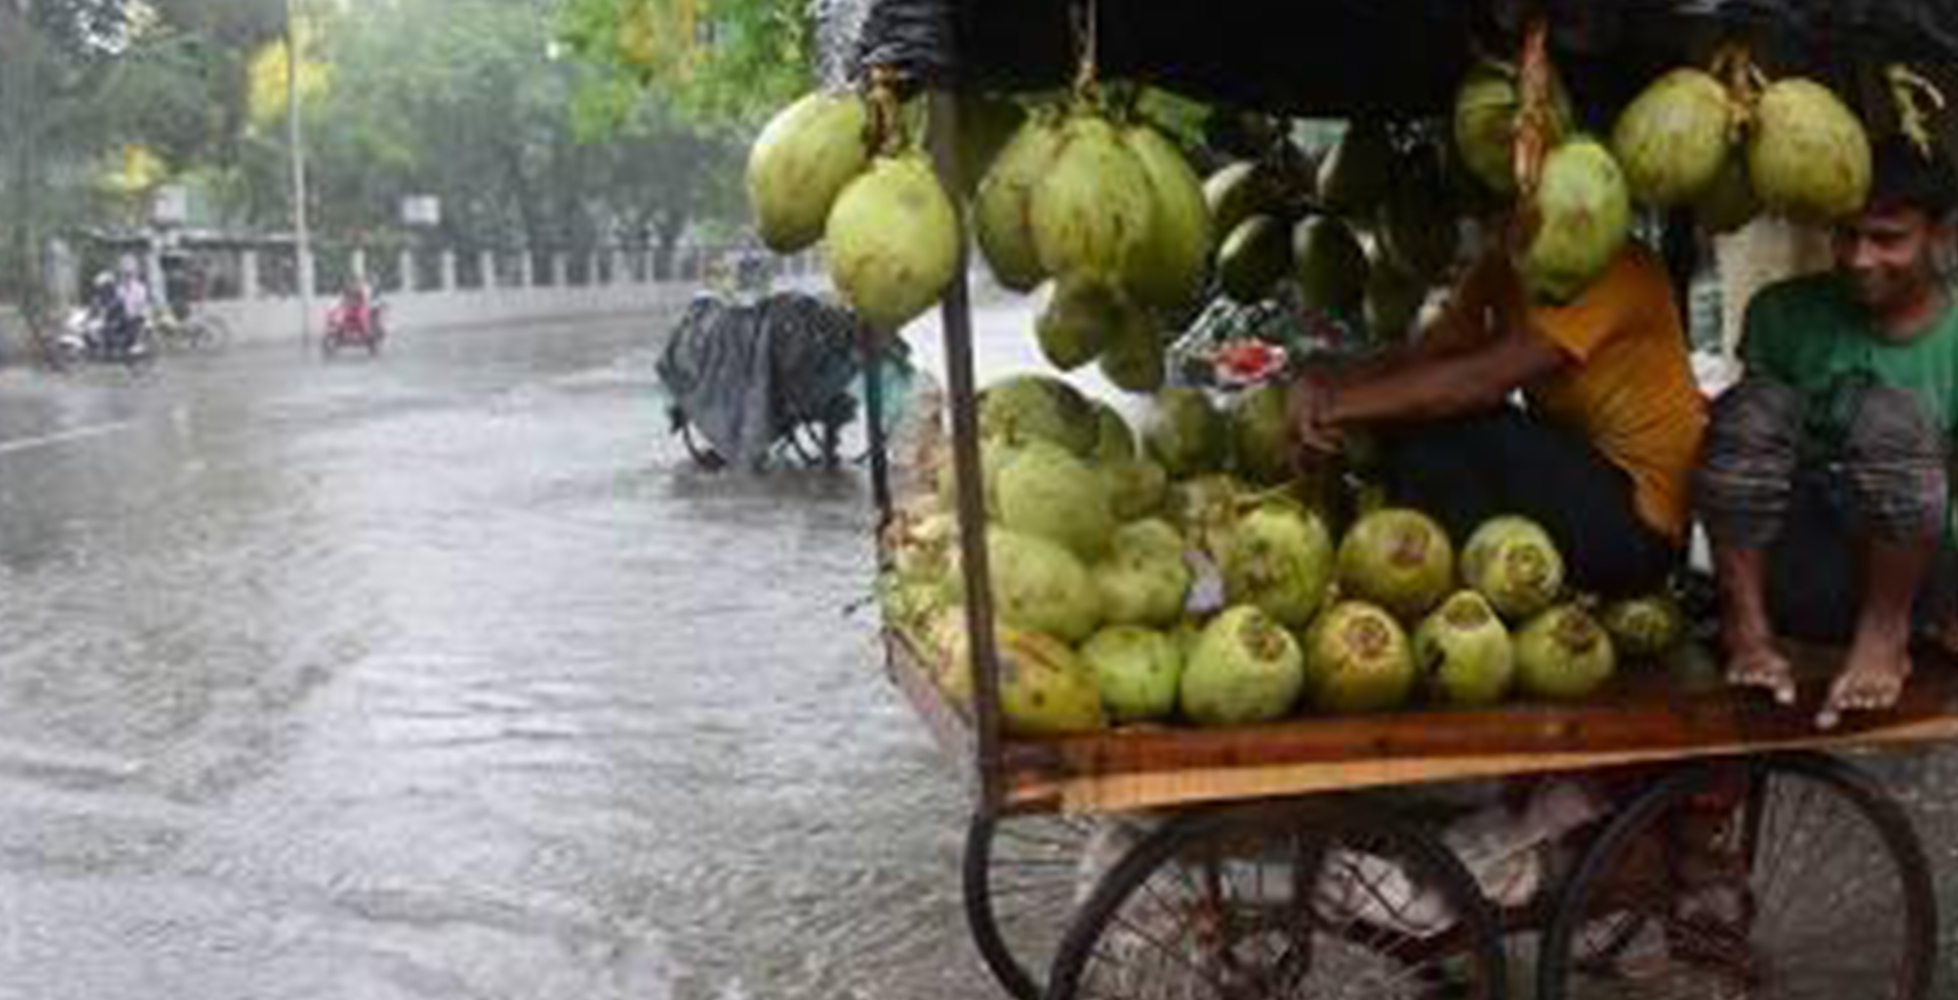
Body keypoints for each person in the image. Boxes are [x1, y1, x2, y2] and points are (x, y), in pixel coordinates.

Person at [1289, 225, 1708, 599]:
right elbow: (1430, 353)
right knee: (1413, 421)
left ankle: (1433, 590)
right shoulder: (1505, 257)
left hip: (1640, 529)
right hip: (1583, 477)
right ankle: (1419, 584)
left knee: (1443, 427)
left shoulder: (1615, 267)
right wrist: (1332, 384)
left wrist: (1335, 407)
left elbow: (1479, 382)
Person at [1695, 138, 1958, 729]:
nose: (1860, 258)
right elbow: (1750, 454)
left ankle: (1881, 637)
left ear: (1943, 239)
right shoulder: (1781, 313)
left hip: (1917, 585)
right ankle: (1749, 632)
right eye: (1847, 235)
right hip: (1800, 571)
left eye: (1888, 238)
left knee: (1887, 419)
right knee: (1751, 407)